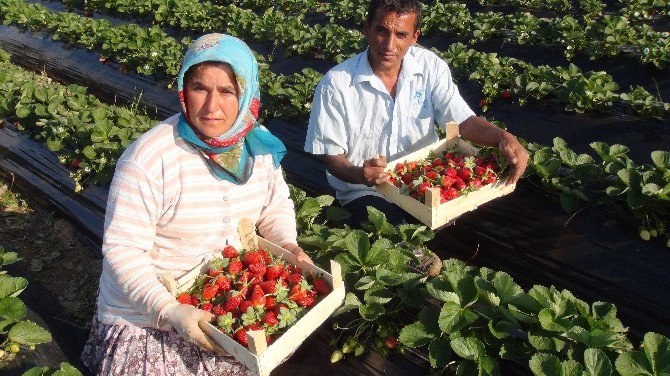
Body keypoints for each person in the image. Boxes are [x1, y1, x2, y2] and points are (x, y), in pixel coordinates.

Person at [81, 33, 311, 375]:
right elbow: (123, 250)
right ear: (183, 89)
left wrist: (288, 245)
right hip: (149, 314)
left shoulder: (258, 149)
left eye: (227, 91)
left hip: (222, 293)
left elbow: (274, 208)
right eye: (200, 88)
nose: (211, 106)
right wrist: (171, 311)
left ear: (248, 94)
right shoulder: (150, 158)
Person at [305, 0, 529, 227]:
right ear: (367, 29)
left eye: (401, 35)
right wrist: (361, 174)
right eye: (382, 31)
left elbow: (462, 121)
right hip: (365, 190)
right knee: (390, 230)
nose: (389, 45)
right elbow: (332, 157)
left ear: (415, 37)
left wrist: (503, 137)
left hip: (421, 178)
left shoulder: (430, 67)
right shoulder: (336, 84)